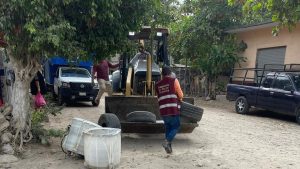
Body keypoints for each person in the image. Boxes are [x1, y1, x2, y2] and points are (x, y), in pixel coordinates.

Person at [155, 66, 183, 154]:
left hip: (163, 110)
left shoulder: (157, 84)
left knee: (168, 128)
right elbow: (181, 95)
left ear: (162, 74)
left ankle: (168, 149)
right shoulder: (174, 81)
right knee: (176, 126)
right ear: (170, 74)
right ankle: (167, 142)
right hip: (172, 109)